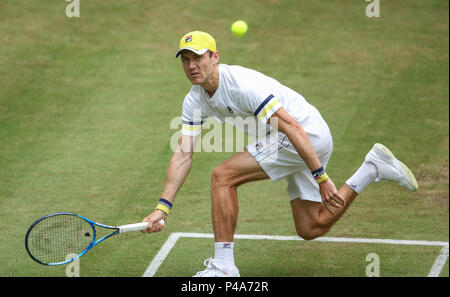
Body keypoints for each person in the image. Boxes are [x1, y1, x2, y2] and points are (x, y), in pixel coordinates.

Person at [142, 31, 418, 277]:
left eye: (198, 57)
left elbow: (293, 128)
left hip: (305, 135)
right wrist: (162, 206)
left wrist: (321, 177)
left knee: (222, 176)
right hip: (289, 139)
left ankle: (224, 266)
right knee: (311, 227)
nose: (191, 66)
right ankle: (373, 168)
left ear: (215, 57)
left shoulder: (241, 85)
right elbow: (183, 153)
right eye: (185, 59)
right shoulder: (194, 100)